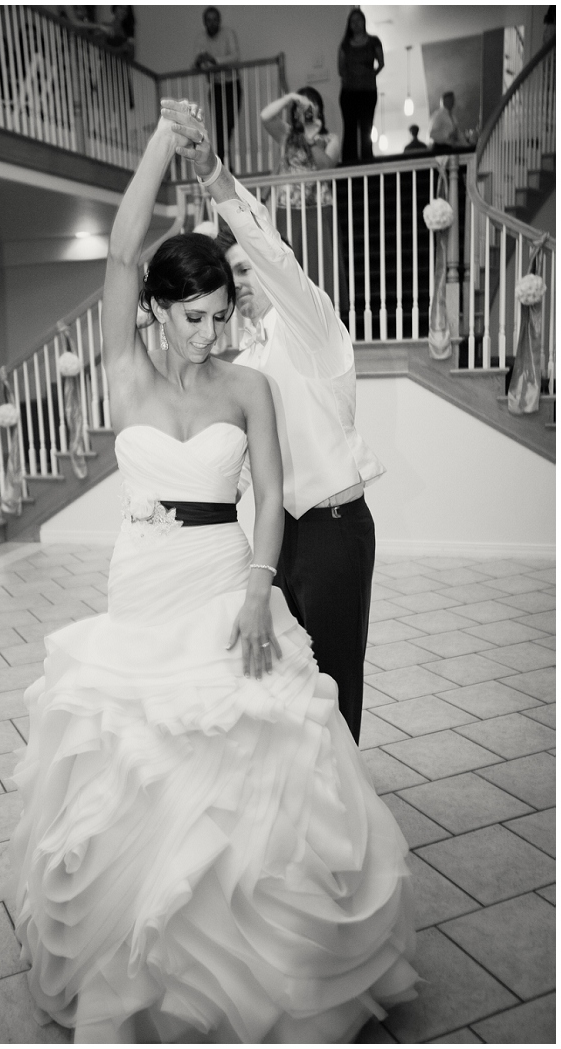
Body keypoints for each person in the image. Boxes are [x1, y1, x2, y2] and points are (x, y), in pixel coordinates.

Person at [8, 99, 417, 1043]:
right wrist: (160, 138)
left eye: (220, 311)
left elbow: (268, 494)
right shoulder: (128, 372)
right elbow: (117, 254)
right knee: (137, 758)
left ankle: (263, 932)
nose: (208, 329)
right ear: (158, 310)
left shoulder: (266, 371)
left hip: (237, 564)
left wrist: (257, 585)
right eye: (191, 314)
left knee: (262, 742)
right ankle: (140, 944)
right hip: (140, 579)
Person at [191, 107, 384, 747]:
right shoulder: (244, 361)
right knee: (290, 682)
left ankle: (349, 815)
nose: (239, 285)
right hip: (280, 540)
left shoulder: (314, 326)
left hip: (333, 533)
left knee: (334, 682)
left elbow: (269, 250)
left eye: (245, 271)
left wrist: (217, 178)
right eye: (233, 276)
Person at [260, 87, 340, 288]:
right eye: (301, 108)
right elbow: (265, 116)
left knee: (321, 265)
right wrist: (290, 97)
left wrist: (312, 139)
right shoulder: (287, 134)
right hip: (288, 209)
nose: (306, 111)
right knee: (290, 265)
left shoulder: (330, 138)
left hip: (319, 209)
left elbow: (326, 168)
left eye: (310, 107)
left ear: (319, 110)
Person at [193, 7, 240, 169]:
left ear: (219, 21)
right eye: (208, 20)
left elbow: (235, 57)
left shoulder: (228, 34)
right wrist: (200, 62)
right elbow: (196, 64)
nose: (212, 23)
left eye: (215, 19)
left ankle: (224, 161)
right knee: (219, 127)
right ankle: (224, 164)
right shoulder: (201, 38)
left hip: (232, 84)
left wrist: (214, 60)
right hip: (215, 87)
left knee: (229, 124)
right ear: (204, 22)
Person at [338, 8, 384, 164]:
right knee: (350, 130)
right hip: (349, 93)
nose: (356, 24)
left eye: (359, 20)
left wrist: (370, 75)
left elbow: (381, 63)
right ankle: (349, 164)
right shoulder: (345, 45)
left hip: (368, 92)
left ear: (364, 22)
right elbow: (341, 69)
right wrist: (350, 79)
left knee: (367, 128)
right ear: (349, 25)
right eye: (353, 21)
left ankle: (367, 162)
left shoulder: (373, 41)